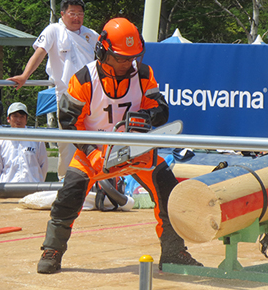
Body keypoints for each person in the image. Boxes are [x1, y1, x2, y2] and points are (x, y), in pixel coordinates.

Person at [37, 17, 203, 274]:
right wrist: (90, 150)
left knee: (169, 193)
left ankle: (173, 252)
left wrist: (148, 117)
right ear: (103, 51)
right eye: (122, 58)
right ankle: (53, 250)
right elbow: (69, 121)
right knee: (68, 196)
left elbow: (161, 109)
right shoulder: (83, 79)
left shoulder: (144, 74)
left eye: (132, 57)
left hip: (136, 148)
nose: (129, 63)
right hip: (94, 150)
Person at [7, 0, 99, 181]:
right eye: (72, 13)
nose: (76, 18)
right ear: (63, 14)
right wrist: (25, 76)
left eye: (80, 14)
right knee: (67, 143)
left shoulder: (91, 35)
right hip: (67, 96)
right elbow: (39, 53)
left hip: (93, 96)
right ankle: (65, 181)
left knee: (96, 138)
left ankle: (98, 180)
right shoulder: (53, 31)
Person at [0, 103, 48, 183]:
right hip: (8, 189)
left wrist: (37, 181)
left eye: (22, 116)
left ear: (26, 120)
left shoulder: (36, 140)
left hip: (32, 189)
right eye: (15, 116)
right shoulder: (1, 142)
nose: (18, 120)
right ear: (8, 119)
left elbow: (43, 165)